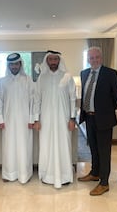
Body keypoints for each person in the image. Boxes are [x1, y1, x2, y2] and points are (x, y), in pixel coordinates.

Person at [78, 46, 117, 196]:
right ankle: (95, 173)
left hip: (104, 119)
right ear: (88, 59)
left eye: (96, 57)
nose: (94, 60)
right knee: (93, 148)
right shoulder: (84, 73)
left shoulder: (110, 73)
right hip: (89, 118)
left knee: (104, 151)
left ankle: (104, 183)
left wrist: (105, 111)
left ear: (101, 58)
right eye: (91, 58)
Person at [34, 50, 76, 189]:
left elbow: (72, 99)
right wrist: (36, 119)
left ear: (59, 61)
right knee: (46, 146)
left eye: (55, 59)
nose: (53, 62)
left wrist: (72, 118)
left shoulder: (67, 77)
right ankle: (47, 175)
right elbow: (37, 100)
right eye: (50, 59)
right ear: (47, 61)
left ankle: (64, 175)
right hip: (45, 120)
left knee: (63, 145)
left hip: (63, 119)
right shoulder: (42, 78)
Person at [0, 53, 35, 184]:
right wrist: (0, 119)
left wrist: (31, 119)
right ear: (8, 65)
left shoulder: (28, 80)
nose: (14, 66)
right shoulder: (2, 81)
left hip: (25, 121)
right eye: (11, 64)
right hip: (8, 121)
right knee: (9, 147)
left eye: (16, 64)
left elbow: (33, 101)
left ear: (20, 64)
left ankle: (24, 175)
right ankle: (9, 174)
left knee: (24, 147)